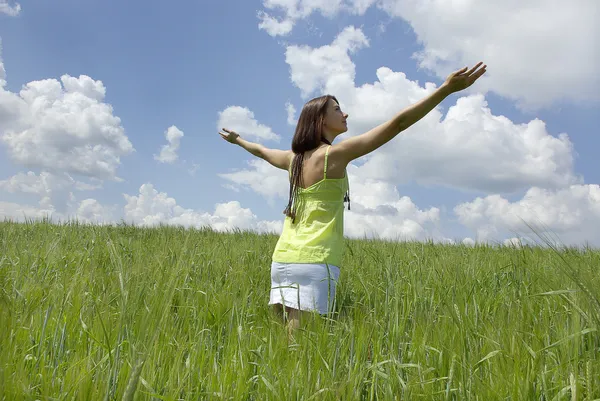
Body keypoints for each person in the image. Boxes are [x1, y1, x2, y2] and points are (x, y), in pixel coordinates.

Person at [219, 62, 487, 334]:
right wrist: (445, 90)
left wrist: (238, 139)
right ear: (321, 120)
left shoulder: (292, 160)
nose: (344, 113)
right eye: (337, 110)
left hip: (283, 260)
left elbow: (261, 151)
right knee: (299, 348)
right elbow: (398, 124)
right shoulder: (334, 156)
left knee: (282, 338)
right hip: (315, 260)